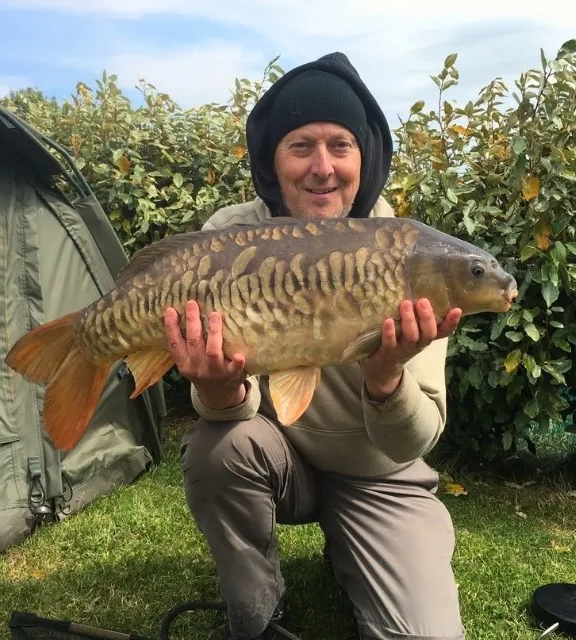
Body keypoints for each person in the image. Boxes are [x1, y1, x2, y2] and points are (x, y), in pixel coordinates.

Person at [163, 52, 466, 640]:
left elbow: (416, 438)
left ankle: (357, 547)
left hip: (380, 475)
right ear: (273, 162)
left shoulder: (408, 254)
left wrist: (385, 379)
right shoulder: (228, 238)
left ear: (364, 158)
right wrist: (216, 386)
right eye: (301, 146)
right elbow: (226, 414)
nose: (322, 168)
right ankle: (259, 609)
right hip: (275, 456)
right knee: (216, 448)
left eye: (340, 146)